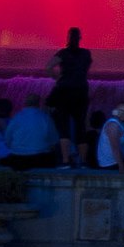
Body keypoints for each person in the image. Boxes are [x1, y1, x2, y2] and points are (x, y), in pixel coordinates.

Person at [47, 28, 92, 163]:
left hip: (64, 91)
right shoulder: (86, 53)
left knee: (63, 126)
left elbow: (48, 66)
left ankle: (66, 160)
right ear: (80, 38)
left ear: (68, 37)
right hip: (80, 91)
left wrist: (56, 78)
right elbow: (85, 69)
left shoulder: (63, 53)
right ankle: (83, 162)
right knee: (80, 126)